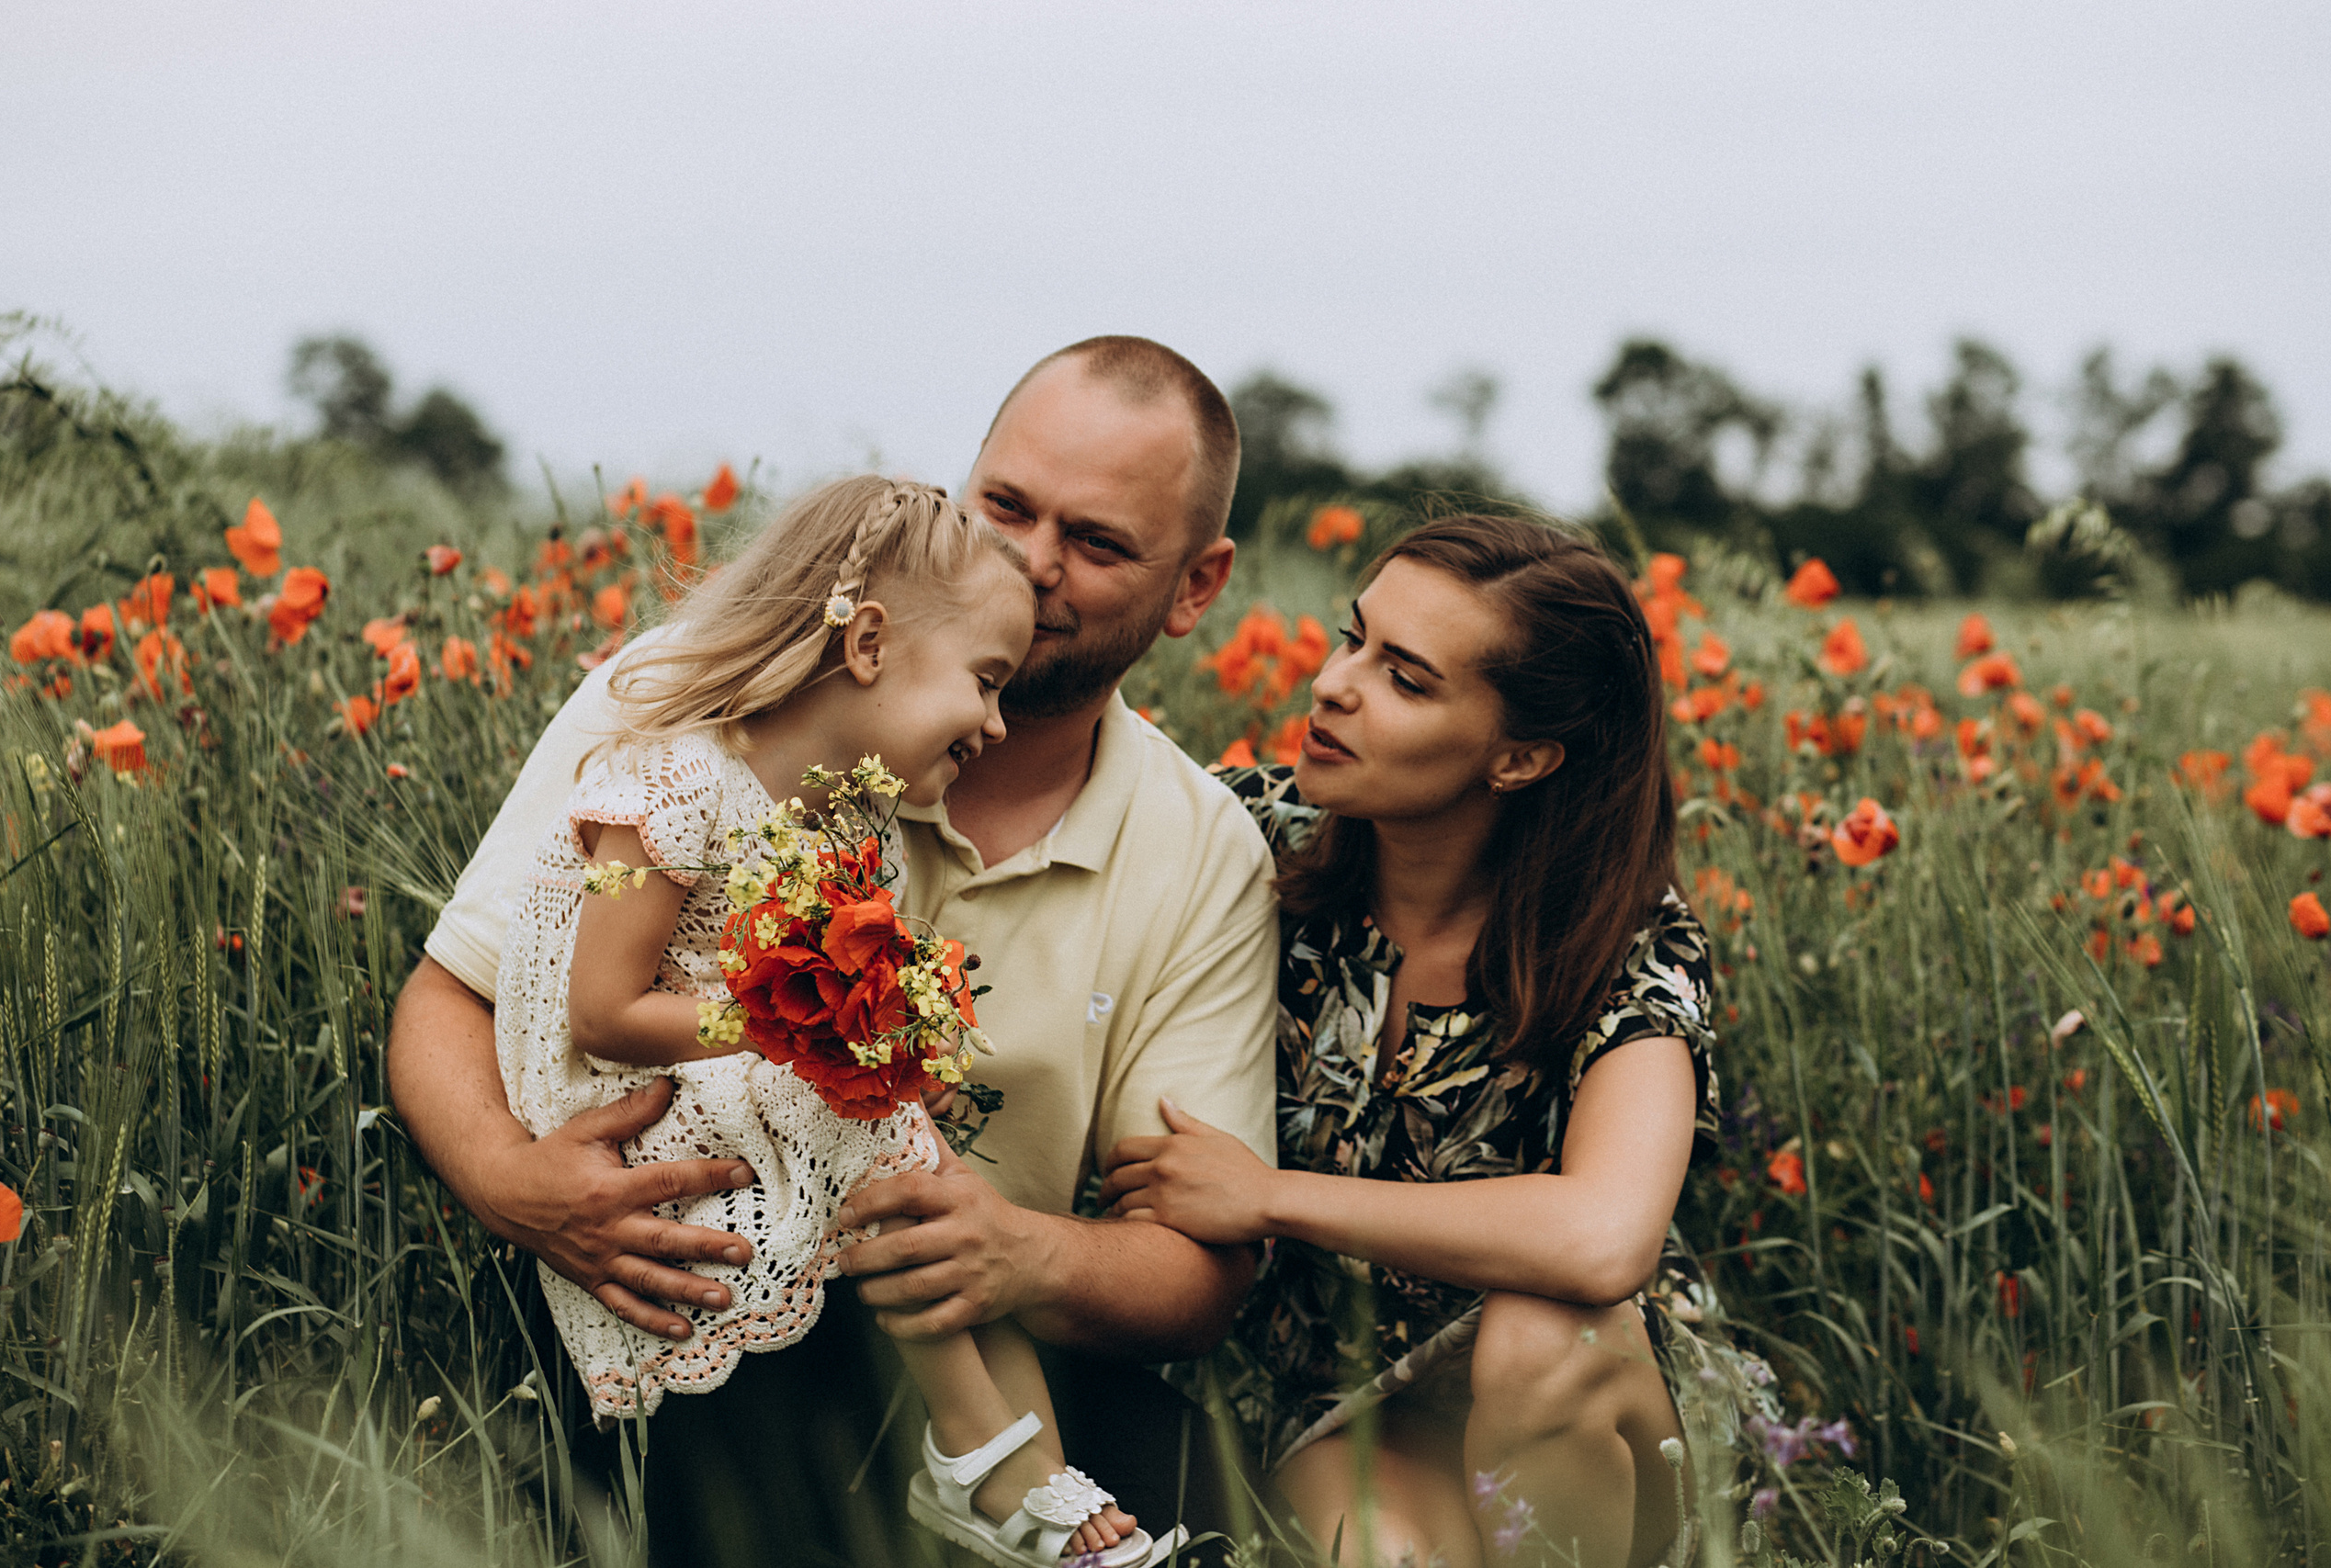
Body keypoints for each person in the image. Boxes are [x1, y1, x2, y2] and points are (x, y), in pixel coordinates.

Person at [387, 337, 1279, 1561]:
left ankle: (1004, 1480)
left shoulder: (1202, 846)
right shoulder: (686, 702)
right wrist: (510, 1181)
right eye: (1006, 504)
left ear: (1198, 584)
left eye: (1102, 540)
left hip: (980, 1325)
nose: (1033, 560)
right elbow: (455, 988)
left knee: (1233, 1520)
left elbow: (1200, 1269)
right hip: (689, 1273)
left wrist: (1014, 1250)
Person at [496, 474, 1171, 1562]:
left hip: (736, 1079)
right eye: (987, 682)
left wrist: (900, 1034)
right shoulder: (669, 779)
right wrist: (791, 1031)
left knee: (930, 1160)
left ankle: (1024, 1459)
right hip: (631, 1098)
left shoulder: (853, 820)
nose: (997, 723)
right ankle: (978, 1459)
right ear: (865, 646)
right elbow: (604, 1011)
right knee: (846, 1092)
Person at [1103, 513, 1725, 1568]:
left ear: (1520, 757)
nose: (1332, 685)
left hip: (1595, 1414)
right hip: (1347, 1409)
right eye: (1352, 638)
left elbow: (1604, 1237)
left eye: (1405, 678)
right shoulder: (1245, 842)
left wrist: (1267, 1195)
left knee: (1540, 1338)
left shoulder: (1621, 942)